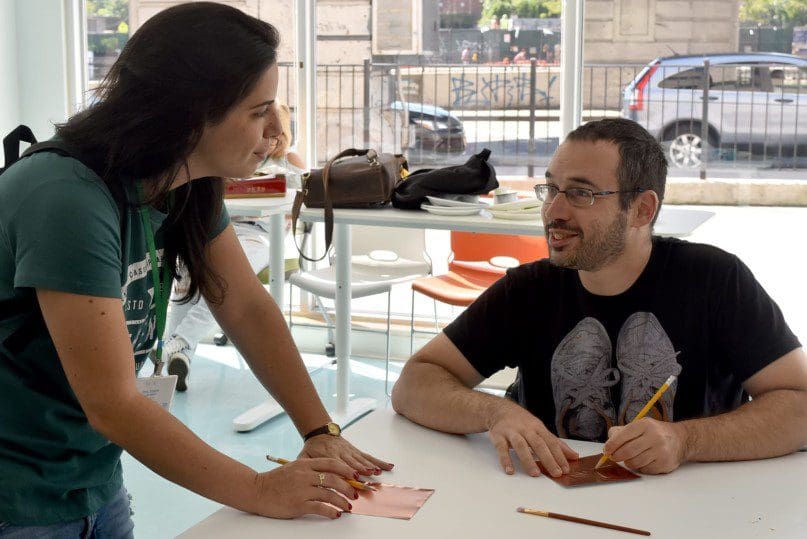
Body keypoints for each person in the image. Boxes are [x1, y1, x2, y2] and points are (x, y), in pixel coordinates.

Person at [0, 3, 392, 535]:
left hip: (89, 474)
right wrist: (258, 489)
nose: (276, 131)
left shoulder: (186, 185)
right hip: (18, 492)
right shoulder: (66, 196)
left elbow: (247, 306)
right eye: (259, 111)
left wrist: (318, 429)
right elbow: (113, 404)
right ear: (191, 113)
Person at [391, 118, 807, 479]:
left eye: (581, 194)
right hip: (547, 504)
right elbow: (414, 383)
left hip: (693, 507)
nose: (554, 211)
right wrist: (494, 412)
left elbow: (800, 406)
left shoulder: (715, 280)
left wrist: (684, 441)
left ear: (642, 209)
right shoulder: (530, 290)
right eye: (551, 188)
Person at [163, 100, 306, 391]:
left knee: (224, 280)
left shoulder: (290, 162)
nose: (269, 136)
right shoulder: (236, 160)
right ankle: (179, 355)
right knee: (190, 273)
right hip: (222, 231)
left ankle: (179, 342)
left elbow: (303, 202)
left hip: (262, 236)